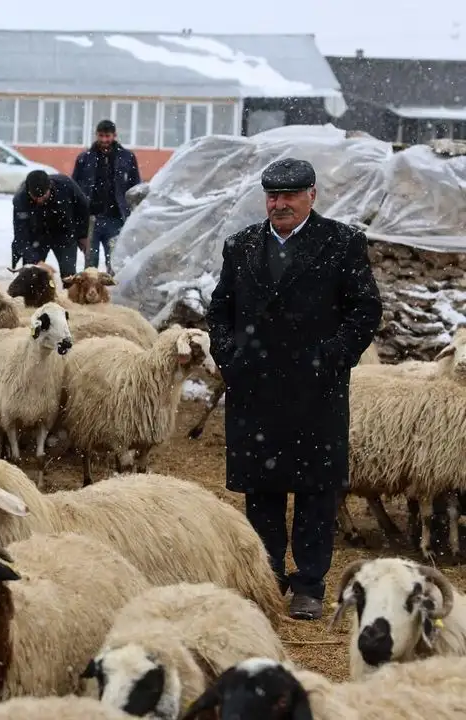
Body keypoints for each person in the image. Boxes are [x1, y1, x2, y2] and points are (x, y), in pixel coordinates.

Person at [206, 158, 382, 621]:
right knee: (261, 492)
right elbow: (220, 308)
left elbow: (365, 309)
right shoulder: (241, 246)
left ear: (312, 196)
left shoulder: (342, 243)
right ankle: (267, 578)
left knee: (315, 491)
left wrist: (332, 356)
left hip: (315, 392)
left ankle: (308, 585)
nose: (279, 204)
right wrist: (230, 357)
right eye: (273, 196)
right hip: (256, 390)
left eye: (290, 195)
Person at [71, 119, 141, 275]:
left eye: (107, 136)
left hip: (116, 217)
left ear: (114, 135)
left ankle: (113, 294)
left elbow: (135, 187)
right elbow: (74, 187)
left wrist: (135, 214)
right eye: (101, 136)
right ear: (96, 135)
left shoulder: (127, 157)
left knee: (115, 262)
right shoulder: (84, 158)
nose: (104, 140)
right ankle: (90, 295)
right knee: (91, 263)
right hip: (91, 219)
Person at [11, 169, 89, 279]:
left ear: (50, 187)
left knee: (69, 275)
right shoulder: (20, 200)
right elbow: (21, 237)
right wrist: (36, 261)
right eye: (35, 197)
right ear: (28, 191)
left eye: (43, 196)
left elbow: (83, 208)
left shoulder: (66, 185)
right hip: (36, 236)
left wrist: (82, 235)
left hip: (64, 232)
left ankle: (67, 294)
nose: (39, 200)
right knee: (31, 276)